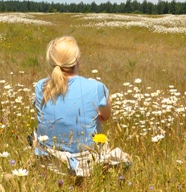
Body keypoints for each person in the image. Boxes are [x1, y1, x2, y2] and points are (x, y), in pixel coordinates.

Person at [33, 36, 126, 176]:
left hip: (48, 157)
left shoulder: (41, 86)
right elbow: (106, 116)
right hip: (85, 156)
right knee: (98, 118)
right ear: (77, 59)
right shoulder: (96, 87)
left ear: (51, 60)